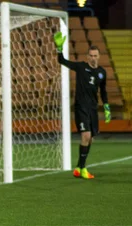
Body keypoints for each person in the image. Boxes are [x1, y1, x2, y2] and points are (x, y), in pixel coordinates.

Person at [54, 32, 110, 179]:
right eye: (90, 55)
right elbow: (62, 61)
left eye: (95, 55)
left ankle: (79, 168)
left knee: (91, 138)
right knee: (86, 135)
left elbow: (103, 91)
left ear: (99, 56)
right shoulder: (80, 67)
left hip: (93, 108)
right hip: (81, 107)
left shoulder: (102, 73)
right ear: (87, 56)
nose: (93, 58)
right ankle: (83, 168)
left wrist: (106, 107)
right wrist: (59, 48)